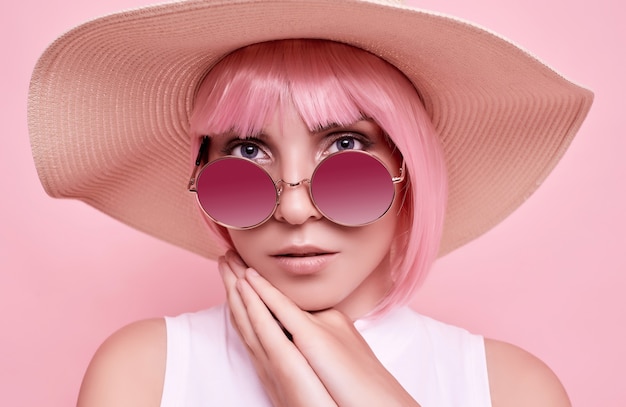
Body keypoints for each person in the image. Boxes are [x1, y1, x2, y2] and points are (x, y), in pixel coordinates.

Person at [27, 1, 593, 406]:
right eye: (248, 151)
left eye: (346, 146)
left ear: (408, 171)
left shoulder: (514, 389)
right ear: (201, 179)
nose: (295, 211)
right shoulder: (143, 372)